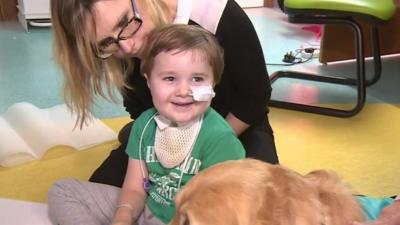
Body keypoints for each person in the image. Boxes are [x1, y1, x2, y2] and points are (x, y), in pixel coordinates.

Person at [50, 0, 279, 187]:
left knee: (264, 200)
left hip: (236, 125)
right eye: (107, 42)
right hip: (166, 131)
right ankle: (136, 135)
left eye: (124, 21)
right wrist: (163, 143)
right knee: (98, 192)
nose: (128, 47)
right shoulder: (121, 46)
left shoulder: (215, 12)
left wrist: (204, 145)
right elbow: (138, 106)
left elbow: (254, 97)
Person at [47, 24, 246, 225]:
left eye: (197, 79)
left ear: (213, 84)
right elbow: (134, 189)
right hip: (146, 211)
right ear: (149, 81)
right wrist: (122, 217)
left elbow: (217, 216)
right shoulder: (144, 125)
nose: (184, 90)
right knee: (63, 191)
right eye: (170, 78)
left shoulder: (220, 140)